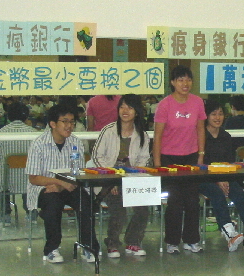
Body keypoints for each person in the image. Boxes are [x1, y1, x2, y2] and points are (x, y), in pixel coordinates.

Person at [25, 104, 99, 263]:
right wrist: (58, 183)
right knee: (52, 203)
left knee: (85, 202)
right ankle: (51, 249)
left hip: (70, 185)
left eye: (72, 122)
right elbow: (34, 178)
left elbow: (78, 173)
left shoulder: (76, 142)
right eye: (64, 121)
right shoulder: (38, 144)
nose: (69, 126)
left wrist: (61, 185)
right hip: (43, 188)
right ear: (53, 123)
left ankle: (88, 245)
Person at [199, 100, 244, 250]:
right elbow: (201, 164)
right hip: (203, 178)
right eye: (213, 114)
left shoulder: (226, 136)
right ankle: (229, 233)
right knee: (217, 193)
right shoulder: (200, 135)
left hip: (225, 177)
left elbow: (229, 162)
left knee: (240, 193)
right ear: (206, 116)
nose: (218, 117)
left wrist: (224, 178)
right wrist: (217, 180)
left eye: (220, 114)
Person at [153, 65, 206, 254]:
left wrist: (201, 155)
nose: (185, 83)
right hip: (169, 158)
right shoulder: (165, 105)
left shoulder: (197, 102)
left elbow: (200, 129)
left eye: (188, 80)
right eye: (181, 80)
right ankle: (172, 241)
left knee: (192, 201)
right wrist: (157, 164)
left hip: (191, 157)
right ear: (173, 83)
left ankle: (192, 240)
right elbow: (158, 136)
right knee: (175, 202)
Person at [92, 94, 151, 258]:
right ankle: (112, 243)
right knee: (119, 210)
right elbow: (97, 156)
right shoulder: (108, 131)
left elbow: (144, 161)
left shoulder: (142, 135)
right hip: (108, 181)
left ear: (137, 112)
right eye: (122, 107)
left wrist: (132, 180)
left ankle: (133, 242)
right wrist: (112, 179)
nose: (125, 111)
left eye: (130, 107)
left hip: (132, 182)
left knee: (143, 210)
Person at [0, 102, 35, 226]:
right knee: (29, 178)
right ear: (26, 116)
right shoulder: (34, 134)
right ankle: (31, 211)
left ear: (8, 116)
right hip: (29, 179)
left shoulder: (0, 133)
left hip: (6, 180)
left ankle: (5, 213)